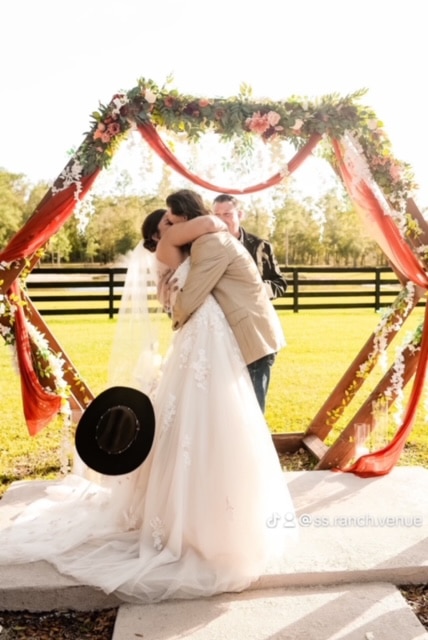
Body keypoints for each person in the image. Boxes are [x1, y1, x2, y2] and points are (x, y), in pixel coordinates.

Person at [0, 203, 296, 604]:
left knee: (223, 425)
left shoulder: (200, 246)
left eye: (174, 221)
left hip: (215, 343)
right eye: (166, 224)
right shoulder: (180, 244)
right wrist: (195, 240)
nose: (171, 228)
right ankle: (190, 522)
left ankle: (218, 514)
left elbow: (193, 288)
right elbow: (183, 298)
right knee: (199, 425)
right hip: (199, 341)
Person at [165, 189, 285, 413]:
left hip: (252, 338)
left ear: (185, 220)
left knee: (251, 417)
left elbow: (192, 295)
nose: (170, 233)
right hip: (236, 337)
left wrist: (174, 313)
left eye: (173, 224)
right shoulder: (211, 240)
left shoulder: (211, 244)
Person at [212, 193, 287, 300]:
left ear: (240, 215)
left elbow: (279, 284)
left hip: (254, 312)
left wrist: (257, 289)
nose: (221, 220)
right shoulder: (206, 245)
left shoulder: (261, 246)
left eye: (227, 214)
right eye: (217, 215)